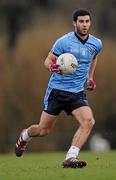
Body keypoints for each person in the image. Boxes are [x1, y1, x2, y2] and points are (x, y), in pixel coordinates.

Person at [15, 8, 102, 168]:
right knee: (43, 131)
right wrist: (52, 67)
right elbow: (48, 60)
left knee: (88, 121)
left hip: (77, 93)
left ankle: (70, 157)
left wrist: (90, 78)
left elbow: (93, 57)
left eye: (87, 21)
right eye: (81, 21)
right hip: (57, 91)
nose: (84, 25)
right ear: (74, 23)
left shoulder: (96, 44)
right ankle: (25, 135)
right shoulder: (63, 42)